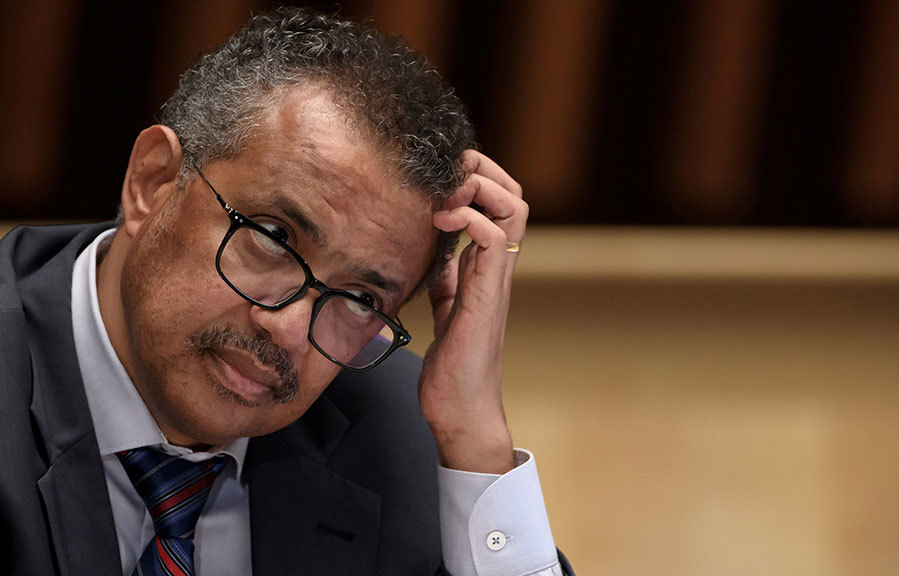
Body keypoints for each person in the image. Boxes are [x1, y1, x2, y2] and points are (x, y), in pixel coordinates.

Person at [0, 7, 572, 576]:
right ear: (153, 182)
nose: (290, 328)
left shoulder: (397, 439)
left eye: (360, 300)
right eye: (274, 237)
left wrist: (474, 439)